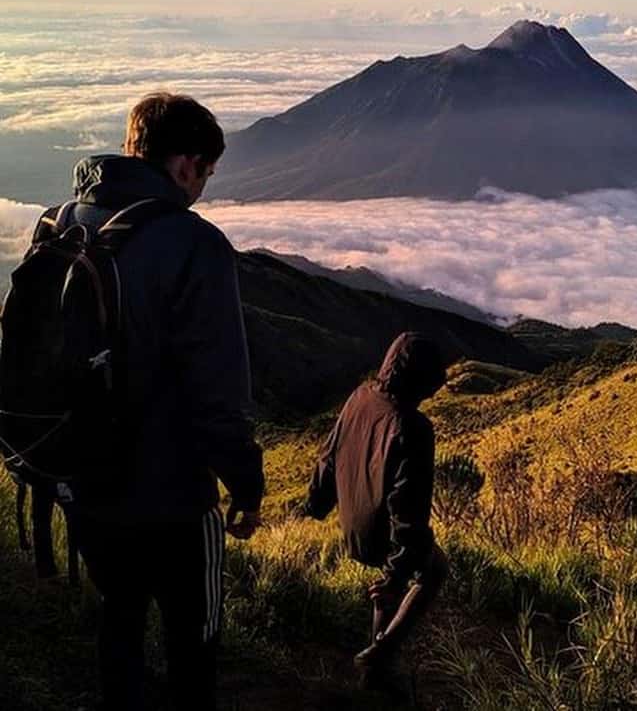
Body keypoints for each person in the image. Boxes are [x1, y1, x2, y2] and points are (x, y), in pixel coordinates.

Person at [43, 92, 265, 710]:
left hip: (84, 483)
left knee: (118, 623)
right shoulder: (195, 244)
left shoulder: (63, 221)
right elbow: (218, 394)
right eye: (207, 172)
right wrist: (245, 487)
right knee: (194, 641)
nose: (204, 188)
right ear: (185, 164)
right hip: (173, 497)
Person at [303, 332, 449, 696]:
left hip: (352, 523)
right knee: (433, 569)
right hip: (378, 534)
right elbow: (408, 507)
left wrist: (315, 507)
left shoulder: (360, 396)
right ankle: (380, 654)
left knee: (398, 569)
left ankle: (376, 658)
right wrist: (398, 569)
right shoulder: (414, 428)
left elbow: (328, 454)